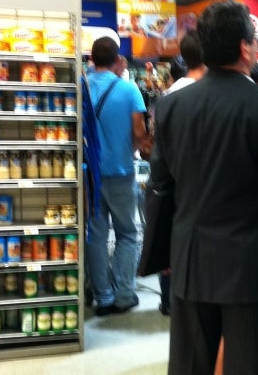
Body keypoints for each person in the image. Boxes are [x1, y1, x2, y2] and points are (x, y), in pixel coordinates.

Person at [148, 0, 258, 375]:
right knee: (244, 365)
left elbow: (160, 186)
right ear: (245, 48)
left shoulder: (171, 107)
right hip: (249, 264)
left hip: (190, 257)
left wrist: (161, 253)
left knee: (189, 364)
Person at [86, 36, 152, 316]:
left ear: (92, 60)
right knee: (127, 233)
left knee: (96, 236)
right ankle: (124, 294)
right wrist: (130, 149)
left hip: (90, 174)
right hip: (122, 172)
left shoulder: (81, 87)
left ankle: (103, 296)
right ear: (117, 60)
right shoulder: (129, 90)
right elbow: (139, 134)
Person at [157, 30, 205, 316]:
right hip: (203, 193)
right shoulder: (207, 95)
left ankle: (169, 301)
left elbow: (159, 157)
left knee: (172, 247)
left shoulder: (167, 99)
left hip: (175, 189)